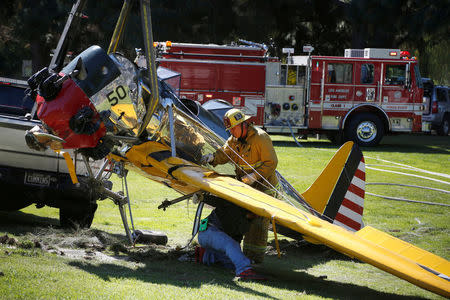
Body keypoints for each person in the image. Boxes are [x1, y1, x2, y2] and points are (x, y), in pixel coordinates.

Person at [201, 108, 279, 263]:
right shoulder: (234, 141)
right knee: (241, 220)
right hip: (247, 189)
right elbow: (224, 154)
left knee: (257, 226)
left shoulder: (261, 138)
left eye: (233, 129)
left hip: (265, 190)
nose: (231, 132)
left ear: (243, 124)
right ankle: (236, 255)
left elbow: (272, 162)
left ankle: (253, 261)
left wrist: (254, 176)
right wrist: (212, 158)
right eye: (229, 130)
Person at [195, 193, 266, 280]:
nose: (258, 216)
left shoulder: (247, 223)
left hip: (212, 238)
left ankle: (205, 255)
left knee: (230, 263)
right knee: (231, 245)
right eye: (257, 212)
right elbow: (218, 201)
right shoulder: (235, 205)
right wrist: (202, 197)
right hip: (209, 231)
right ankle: (244, 271)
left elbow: (236, 239)